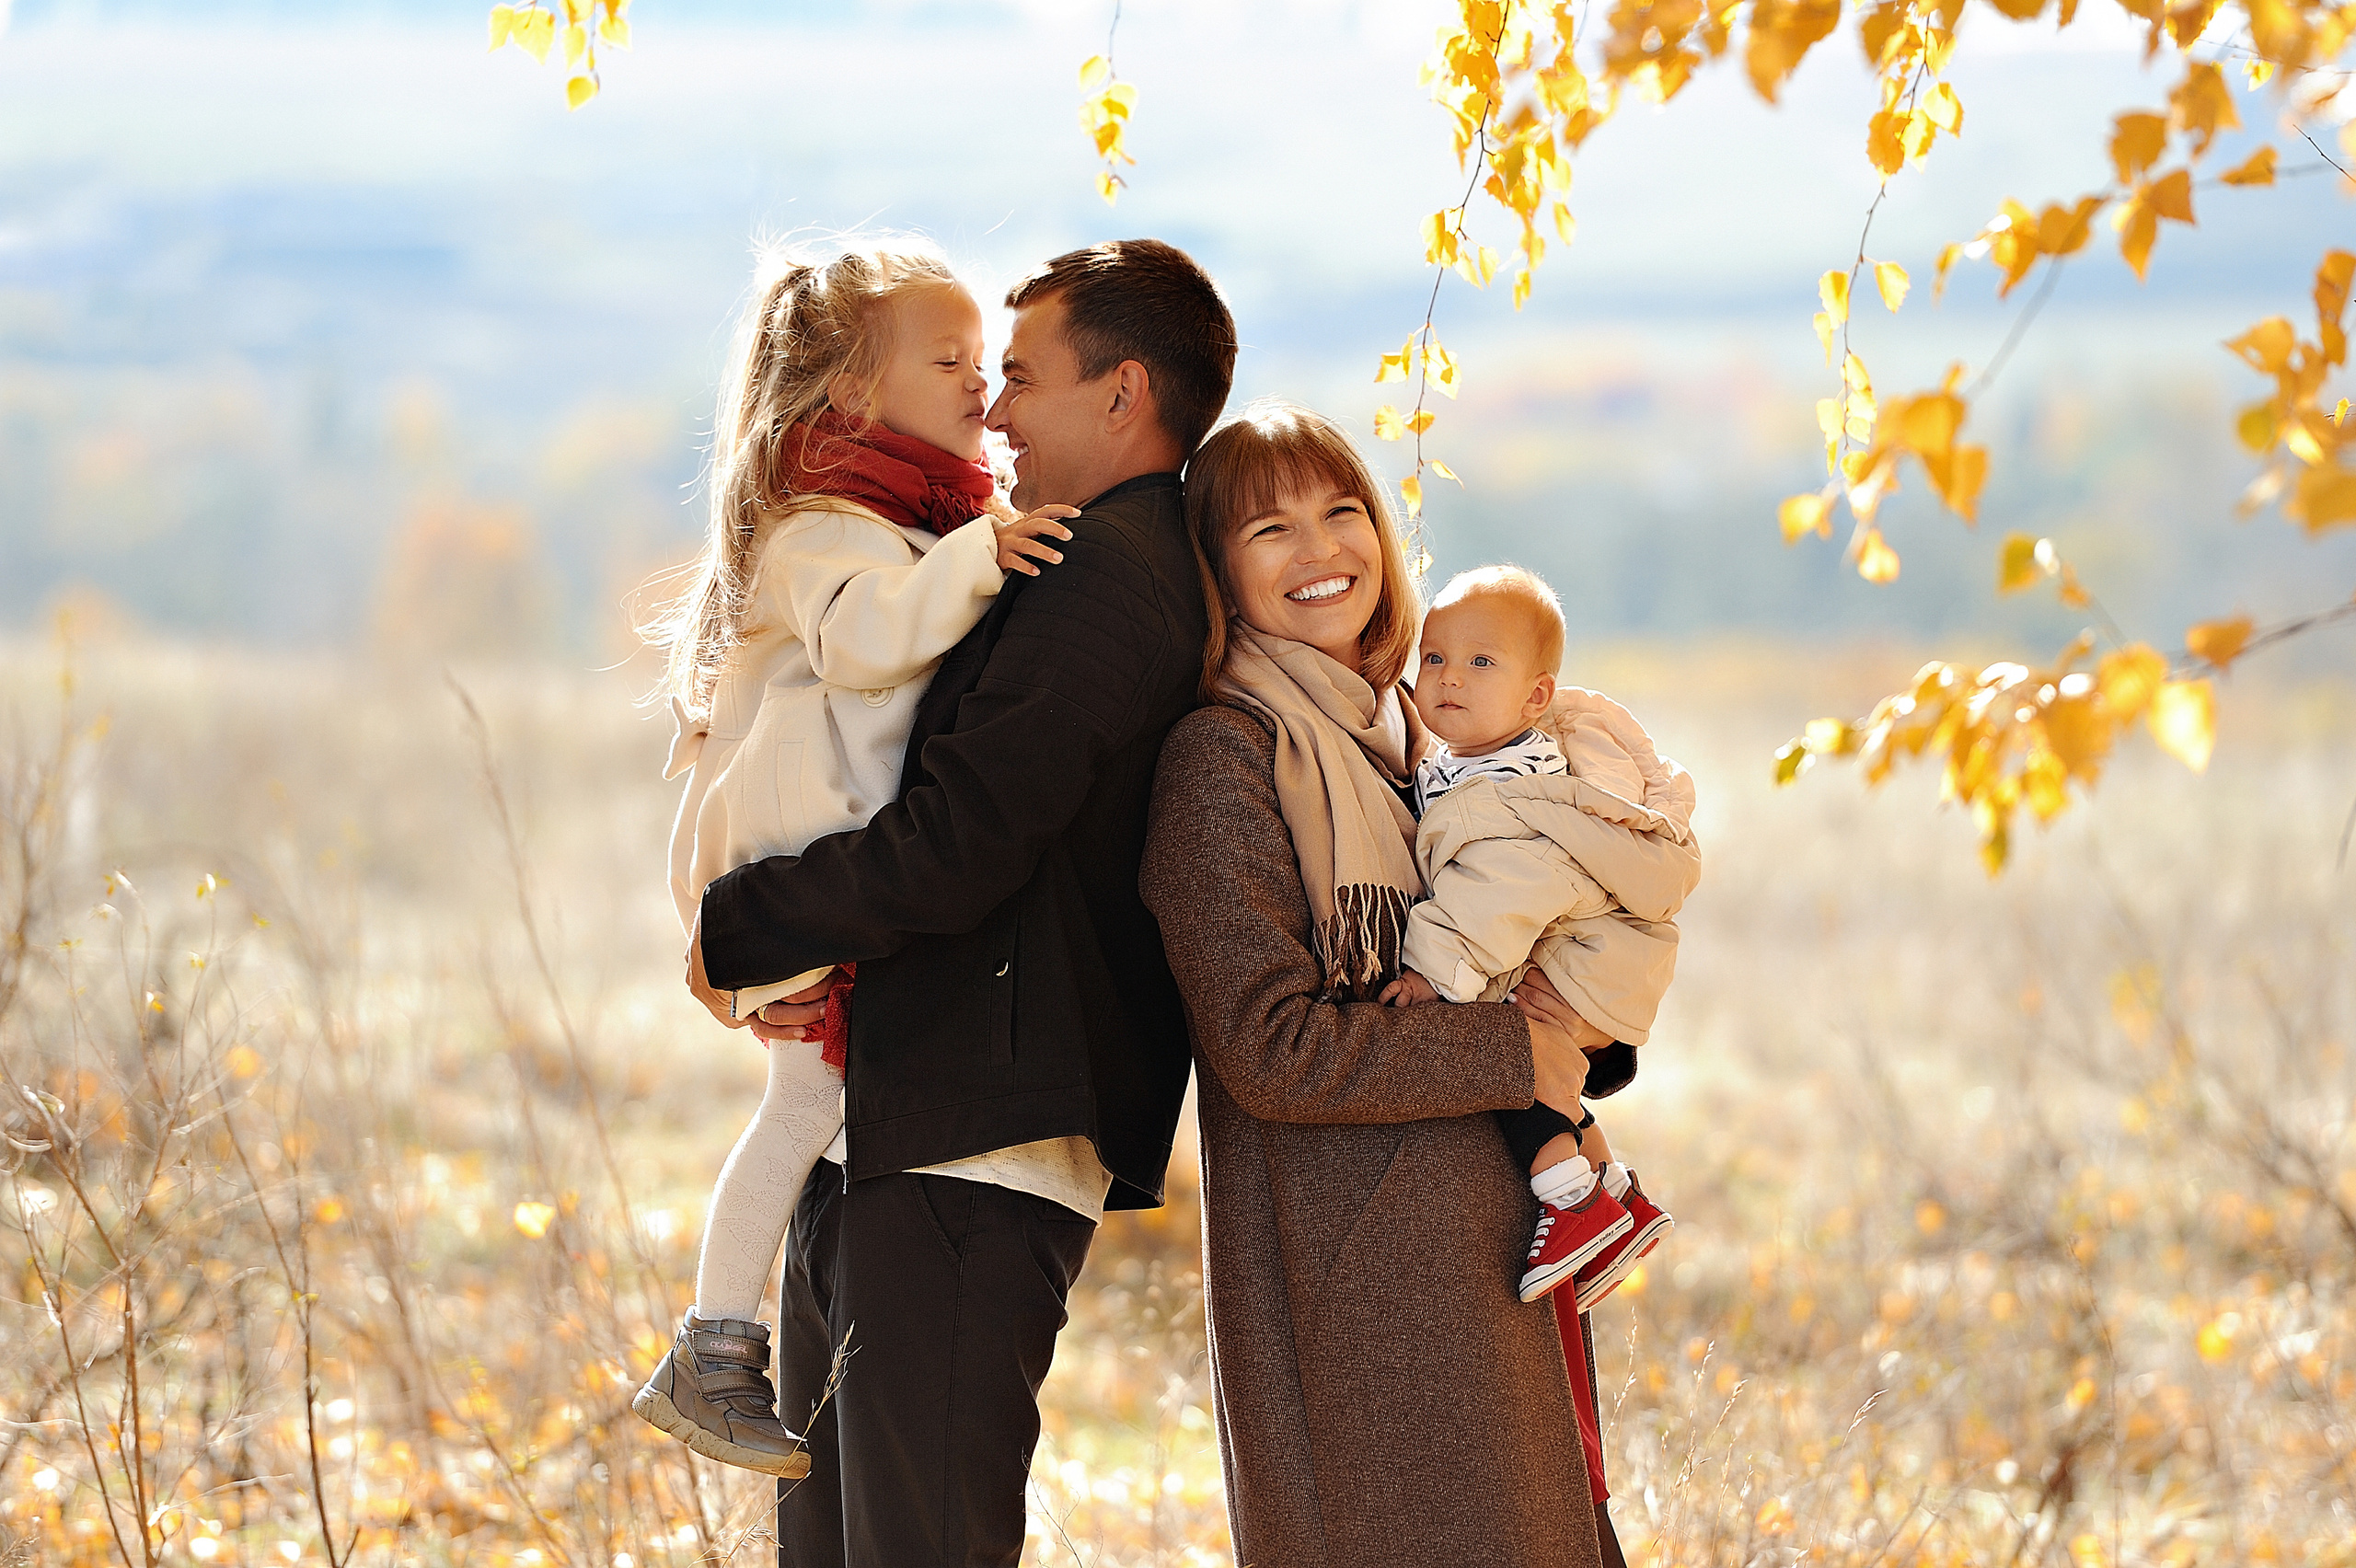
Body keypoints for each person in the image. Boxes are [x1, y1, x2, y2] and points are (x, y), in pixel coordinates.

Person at [683, 238, 1236, 1567]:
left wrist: (745, 923)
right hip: (901, 1115)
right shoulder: (1046, 552)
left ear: (1122, 397)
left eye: (1024, 377)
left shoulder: (1106, 573)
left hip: (972, 1137)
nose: (994, 408)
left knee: (916, 1537)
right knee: (841, 1536)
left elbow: (959, 844)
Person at [1140, 400, 1625, 1568]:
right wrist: (1511, 1053)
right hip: (1348, 1278)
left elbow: (1517, 945)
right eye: (1270, 531)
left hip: (1486, 1237)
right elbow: (1270, 1049)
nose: (1321, 552)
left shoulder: (1431, 739)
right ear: (1218, 573)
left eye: (1341, 511)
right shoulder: (1226, 758)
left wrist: (1571, 1036)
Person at [635, 239, 1079, 1477]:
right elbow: (874, 646)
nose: (980, 388)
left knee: (819, 1102)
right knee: (808, 1103)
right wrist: (987, 555)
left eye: (984, 361)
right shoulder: (823, 528)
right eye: (948, 362)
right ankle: (712, 1347)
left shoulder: (902, 518)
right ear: (846, 396)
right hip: (786, 864)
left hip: (822, 860)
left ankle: (730, 1339)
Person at [1380, 563, 1699, 1309]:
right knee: (1513, 1048)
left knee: (1498, 1048)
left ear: (1536, 696)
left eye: (1480, 662)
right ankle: (1620, 1197)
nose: (1450, 678)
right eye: (1435, 658)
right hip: (1578, 960)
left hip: (1571, 966)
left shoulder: (1511, 790)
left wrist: (1433, 975)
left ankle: (1572, 1205)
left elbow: (1498, 896)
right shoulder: (1475, 761)